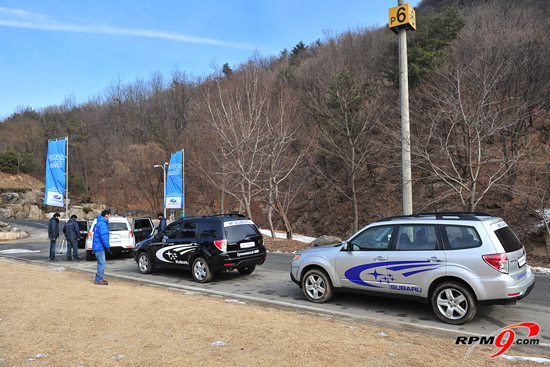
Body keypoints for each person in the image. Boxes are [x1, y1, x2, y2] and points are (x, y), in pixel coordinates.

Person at [93, 209, 111, 285]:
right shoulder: (103, 224)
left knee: (100, 263)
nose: (110, 217)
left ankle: (99, 278)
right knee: (102, 263)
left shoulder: (99, 223)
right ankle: (98, 279)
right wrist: (108, 247)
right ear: (106, 215)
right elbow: (104, 237)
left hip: (98, 246)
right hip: (99, 247)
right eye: (109, 215)